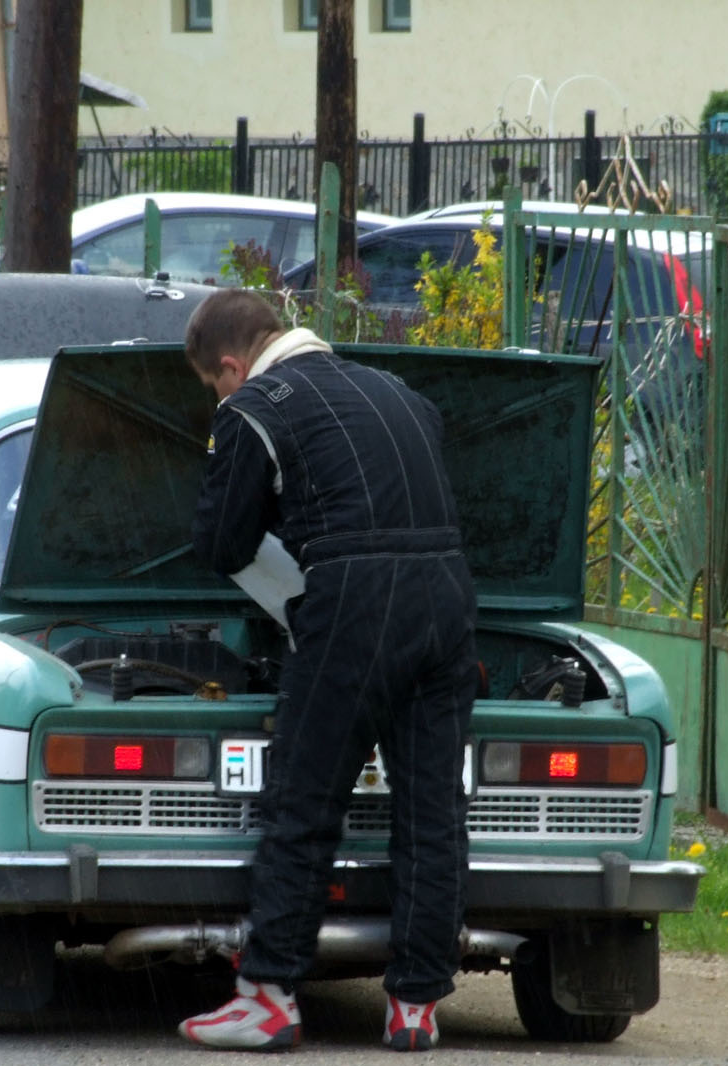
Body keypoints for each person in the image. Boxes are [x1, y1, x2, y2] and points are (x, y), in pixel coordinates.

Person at [178, 289, 479, 1053]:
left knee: (303, 800)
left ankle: (269, 995)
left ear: (230, 365)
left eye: (213, 386)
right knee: (432, 808)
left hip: (353, 605)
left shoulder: (253, 408)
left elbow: (220, 542)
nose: (219, 397)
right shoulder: (398, 392)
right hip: (448, 603)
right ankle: (416, 1005)